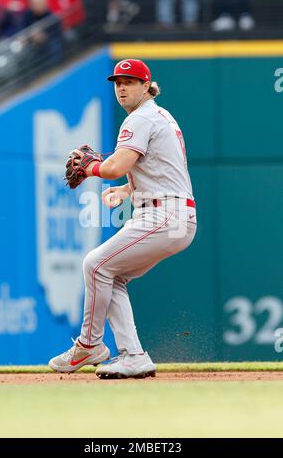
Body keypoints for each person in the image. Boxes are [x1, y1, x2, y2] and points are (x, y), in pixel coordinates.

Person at [49, 59, 197, 379]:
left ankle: (90, 344)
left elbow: (117, 165)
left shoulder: (140, 119)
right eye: (118, 82)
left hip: (164, 214)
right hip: (171, 212)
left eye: (129, 82)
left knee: (95, 264)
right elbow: (158, 168)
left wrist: (91, 168)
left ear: (147, 86)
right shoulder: (160, 116)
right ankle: (134, 356)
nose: (121, 88)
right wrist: (125, 191)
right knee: (110, 275)